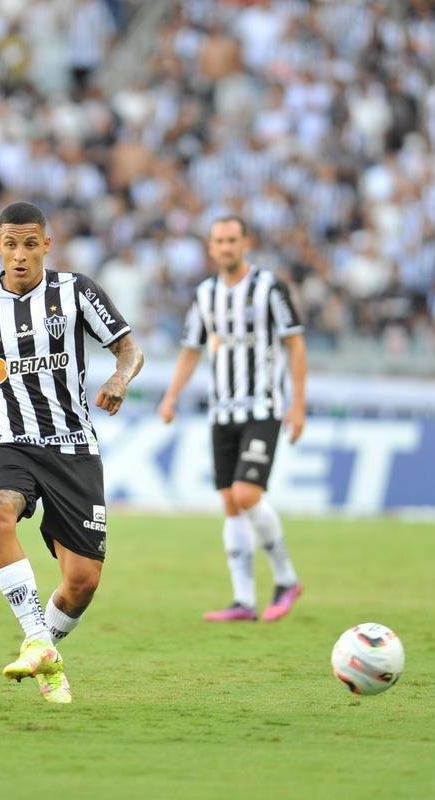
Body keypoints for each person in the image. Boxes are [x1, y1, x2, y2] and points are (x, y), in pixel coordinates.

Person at [0, 201, 144, 704]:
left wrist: (120, 378)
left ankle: (44, 650)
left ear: (46, 246)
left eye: (30, 244)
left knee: (81, 582)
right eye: (10, 245)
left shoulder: (74, 291)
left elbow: (128, 346)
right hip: (10, 440)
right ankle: (36, 635)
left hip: (73, 446)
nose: (20, 255)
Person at [157, 216, 307, 622]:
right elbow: (191, 349)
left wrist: (298, 404)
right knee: (230, 503)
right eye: (219, 240)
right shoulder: (205, 294)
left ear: (246, 243)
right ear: (210, 247)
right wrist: (171, 396)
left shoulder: (269, 288)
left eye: (232, 240)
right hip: (221, 411)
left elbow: (295, 344)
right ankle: (243, 600)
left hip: (263, 408)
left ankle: (287, 579)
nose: (225, 247)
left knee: (246, 493)